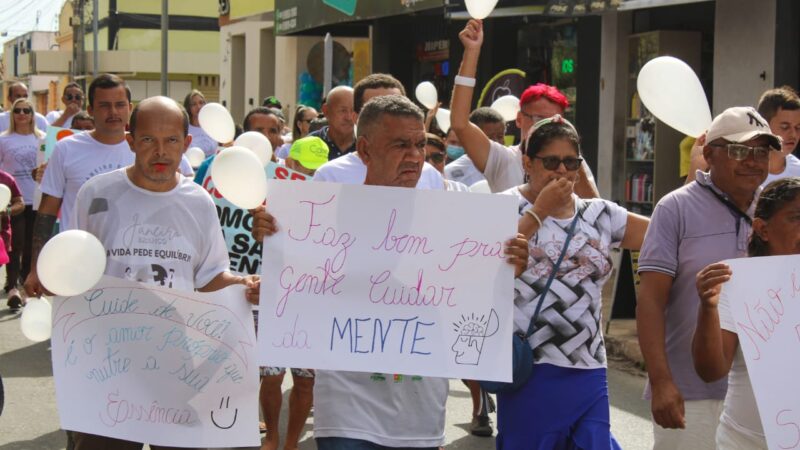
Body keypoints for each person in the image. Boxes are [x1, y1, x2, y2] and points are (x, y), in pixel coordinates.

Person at [251, 94, 529, 450]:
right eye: (400, 144)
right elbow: (296, 285)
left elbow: (470, 307)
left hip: (421, 416)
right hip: (346, 413)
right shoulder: (322, 215)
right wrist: (274, 237)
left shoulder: (454, 221)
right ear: (365, 150)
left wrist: (507, 271)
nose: (414, 155)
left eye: (418, 144)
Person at [65, 95, 259, 449]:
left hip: (175, 363)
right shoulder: (96, 195)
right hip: (108, 363)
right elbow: (75, 270)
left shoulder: (198, 202)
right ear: (130, 140)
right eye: (148, 140)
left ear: (186, 143)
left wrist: (243, 283)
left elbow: (211, 276)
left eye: (171, 140)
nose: (160, 152)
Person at [499, 114, 648, 449]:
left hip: (588, 365)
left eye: (571, 162)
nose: (562, 171)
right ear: (527, 162)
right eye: (551, 161)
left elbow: (665, 233)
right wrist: (539, 211)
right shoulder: (504, 207)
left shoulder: (601, 214)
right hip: (529, 366)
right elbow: (483, 266)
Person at [636, 106, 781, 449]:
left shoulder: (776, 213)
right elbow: (651, 301)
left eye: (761, 151)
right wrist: (661, 381)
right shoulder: (675, 209)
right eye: (739, 150)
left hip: (758, 397)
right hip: (690, 394)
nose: (752, 160)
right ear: (711, 153)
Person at [692, 177, 800, 450]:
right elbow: (711, 370)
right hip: (743, 442)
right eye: (797, 217)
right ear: (763, 229)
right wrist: (708, 309)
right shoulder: (737, 283)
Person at [451, 20, 599, 198]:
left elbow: (596, 212)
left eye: (555, 122)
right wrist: (472, 51)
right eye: (539, 120)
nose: (547, 129)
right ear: (519, 119)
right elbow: (460, 124)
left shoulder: (571, 165)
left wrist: (573, 158)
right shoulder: (502, 159)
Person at [23, 74, 135, 298]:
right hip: (75, 264)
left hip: (130, 266)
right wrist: (36, 268)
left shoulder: (144, 148)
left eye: (120, 105)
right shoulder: (66, 149)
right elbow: (46, 210)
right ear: (91, 110)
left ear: (130, 108)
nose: (113, 112)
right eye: (104, 105)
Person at [313, 73, 445, 189]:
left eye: (421, 145)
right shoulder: (329, 176)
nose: (414, 156)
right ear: (356, 117)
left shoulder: (432, 177)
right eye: (376, 108)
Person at [0, 98, 45, 308]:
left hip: (36, 199)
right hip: (12, 199)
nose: (21, 114)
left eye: (26, 110)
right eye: (17, 110)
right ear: (12, 114)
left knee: (30, 247)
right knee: (14, 246)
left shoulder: (42, 139)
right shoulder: (4, 139)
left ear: (32, 114)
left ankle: (26, 285)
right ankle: (12, 287)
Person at [445, 107, 506, 187]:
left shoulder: (512, 167)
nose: (496, 142)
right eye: (489, 137)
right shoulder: (450, 173)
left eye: (500, 136)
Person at [757, 86, 800, 186]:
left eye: (798, 127)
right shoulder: (743, 171)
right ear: (764, 125)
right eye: (785, 127)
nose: (793, 134)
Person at [308, 86, 355, 160]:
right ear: (326, 110)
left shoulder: (367, 146)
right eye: (343, 110)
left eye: (353, 110)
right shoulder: (309, 144)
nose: (349, 117)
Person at [0, 170, 25, 310]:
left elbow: (20, 203)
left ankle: (13, 288)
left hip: (1, 232)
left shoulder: (6, 178)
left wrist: (6, 211)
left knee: (14, 253)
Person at [183, 89, 219, 157]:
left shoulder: (212, 127)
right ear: (188, 107)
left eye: (201, 103)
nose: (198, 107)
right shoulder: (184, 128)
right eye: (194, 104)